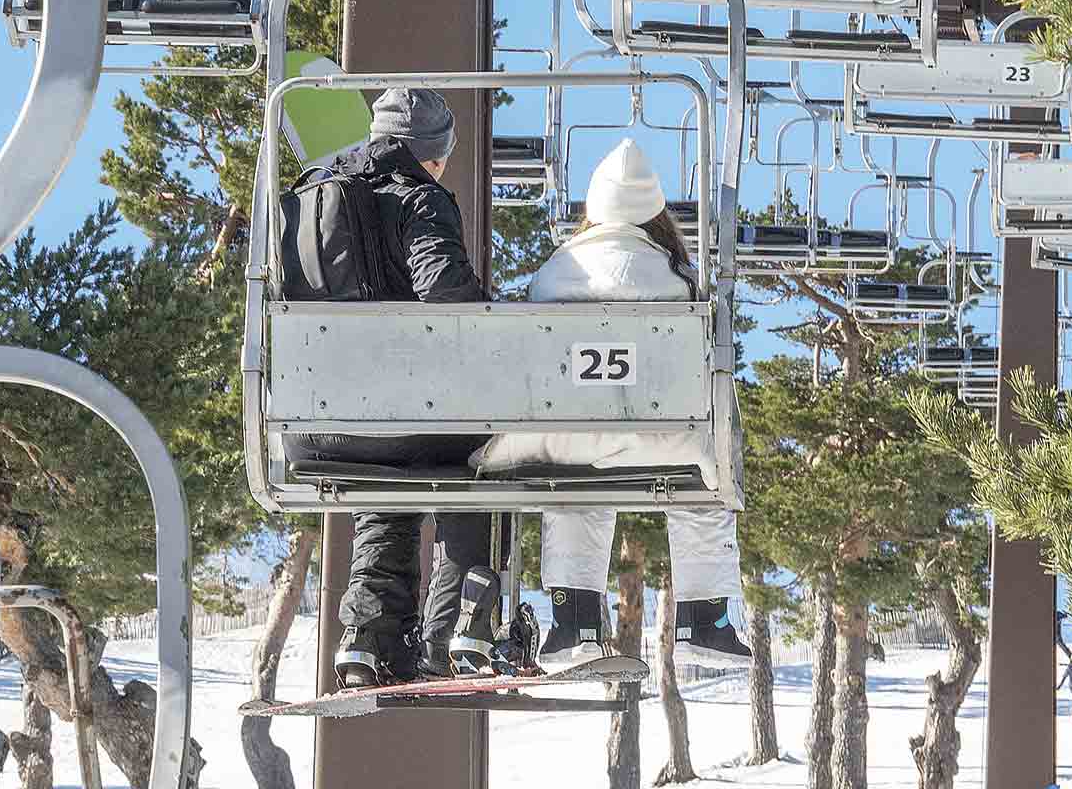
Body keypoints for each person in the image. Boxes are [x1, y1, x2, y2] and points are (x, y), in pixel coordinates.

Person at [467, 139, 753, 668]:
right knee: (705, 481)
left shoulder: (554, 273)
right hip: (659, 436)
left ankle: (573, 621)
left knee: (575, 483)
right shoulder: (676, 279)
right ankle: (702, 617)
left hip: (560, 434)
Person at [282, 87, 495, 687]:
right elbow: (445, 292)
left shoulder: (310, 193)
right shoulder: (419, 197)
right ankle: (460, 631)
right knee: (476, 463)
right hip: (401, 418)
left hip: (316, 426)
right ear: (432, 150)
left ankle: (368, 639)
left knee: (387, 486)